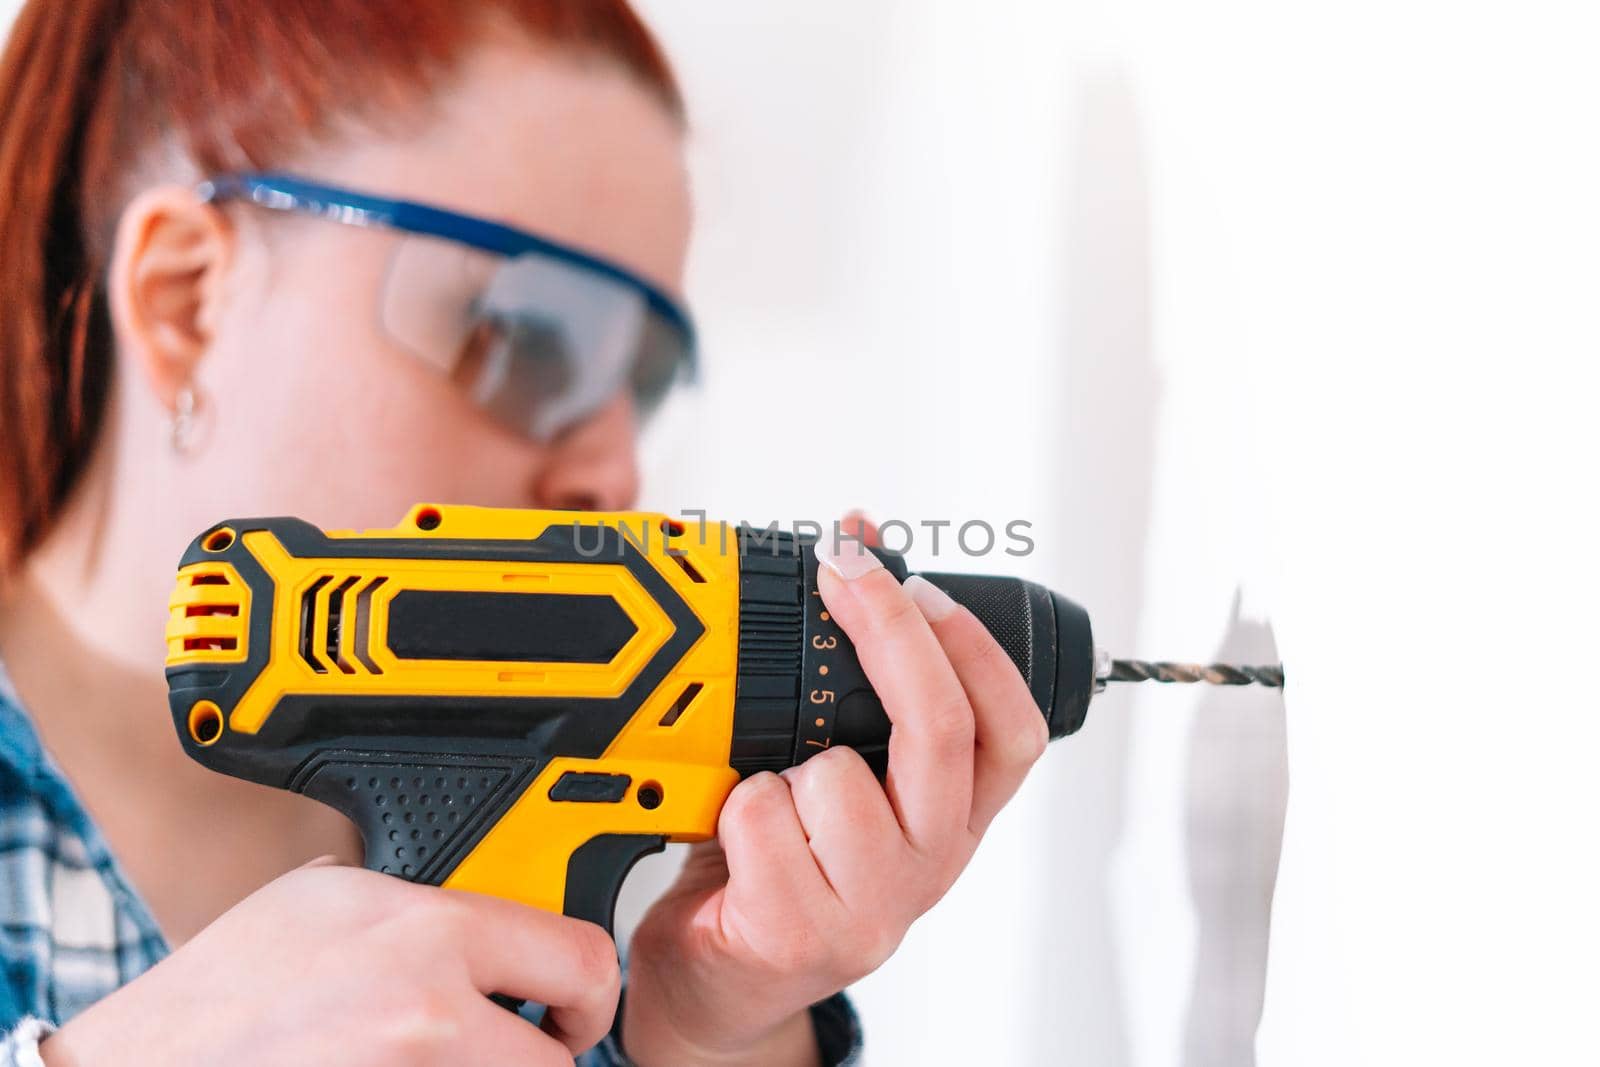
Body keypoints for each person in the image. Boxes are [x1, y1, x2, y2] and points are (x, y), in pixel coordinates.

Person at [0, 1, 1051, 1064]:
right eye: (528, 337)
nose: (615, 473)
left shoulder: (593, 921)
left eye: (641, 383)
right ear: (186, 299)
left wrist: (707, 1039)